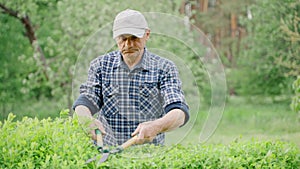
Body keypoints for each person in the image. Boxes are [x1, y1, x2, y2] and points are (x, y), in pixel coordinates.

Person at [73, 9, 189, 146]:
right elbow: (85, 101)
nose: (128, 45)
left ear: (147, 35)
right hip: (106, 151)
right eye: (123, 39)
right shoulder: (101, 65)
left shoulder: (164, 68)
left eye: (134, 38)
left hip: (149, 155)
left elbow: (179, 113)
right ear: (116, 38)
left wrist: (156, 126)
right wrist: (86, 119)